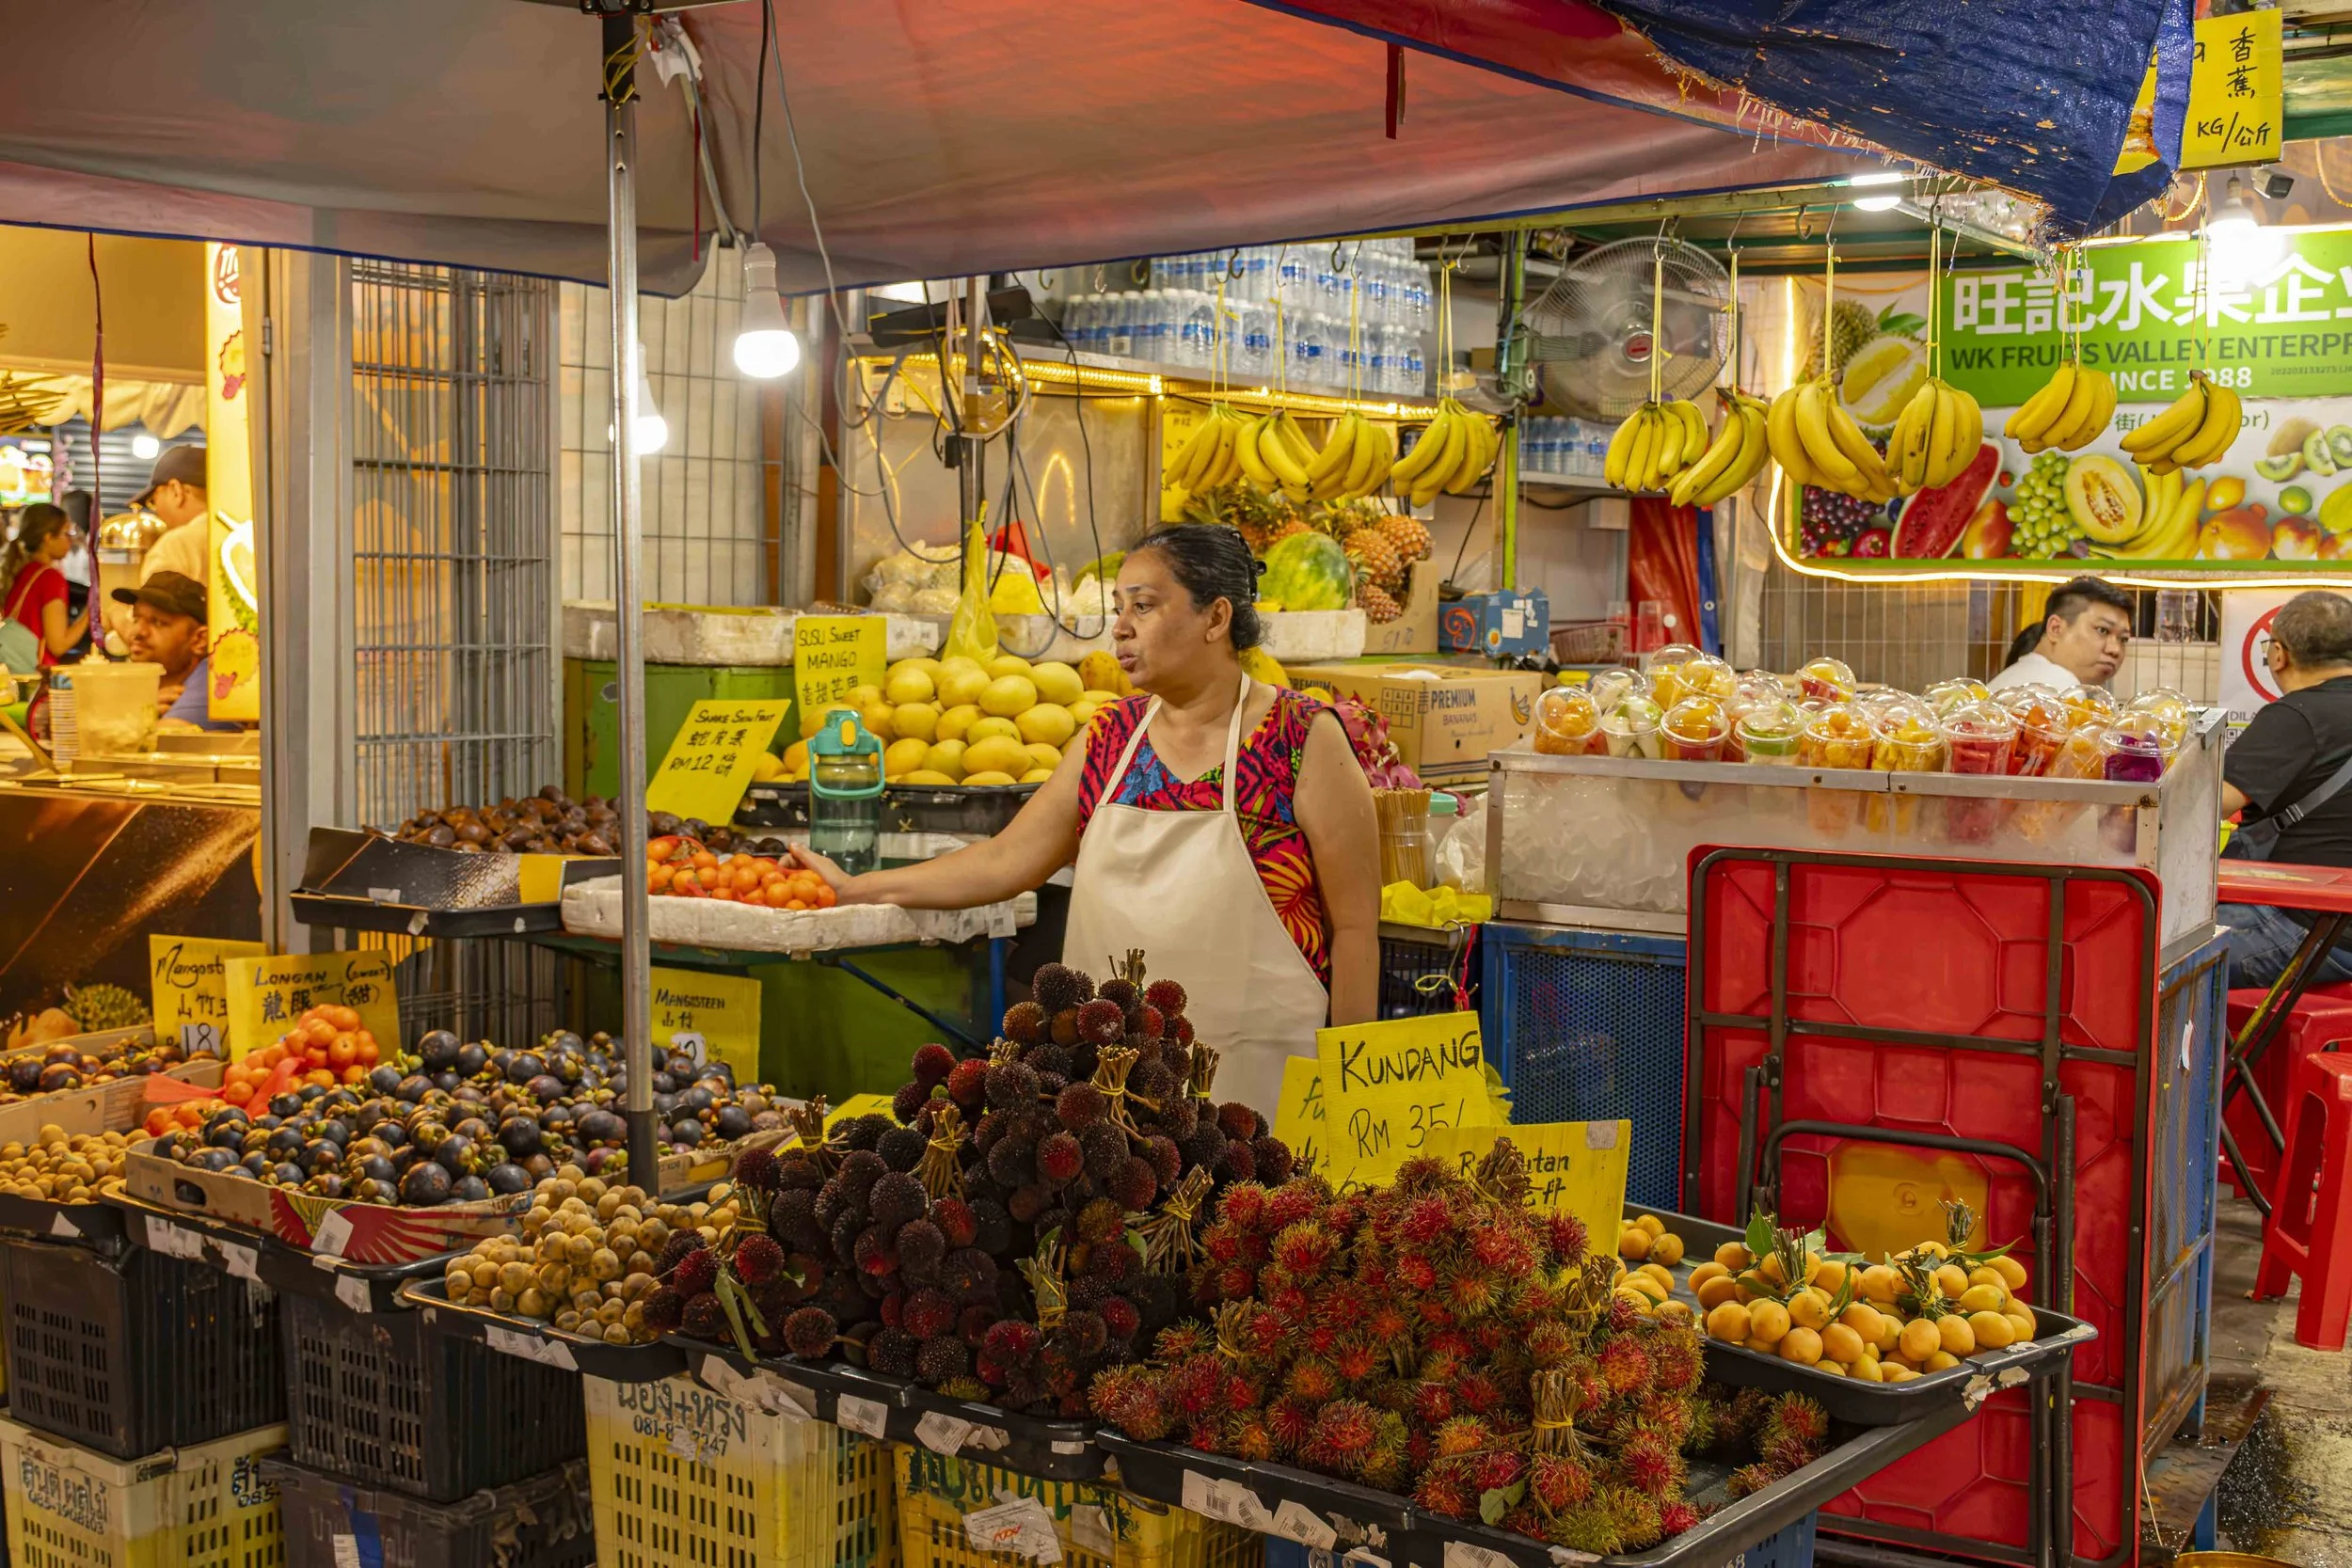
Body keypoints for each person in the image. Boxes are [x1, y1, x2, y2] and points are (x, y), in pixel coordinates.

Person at [790, 525, 1382, 1116]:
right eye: (1118, 608)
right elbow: (1005, 860)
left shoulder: (1301, 737)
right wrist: (855, 888)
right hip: (1113, 1087)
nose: (1120, 628)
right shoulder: (1109, 737)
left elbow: (1355, 929)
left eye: (1144, 607)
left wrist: (1351, 1094)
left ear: (1216, 616)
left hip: (1266, 1080)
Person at [2216, 590, 2352, 987]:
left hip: (2307, 925)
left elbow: (2212, 803)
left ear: (2278, 653)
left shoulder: (2295, 715)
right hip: (2336, 924)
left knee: (2154, 953)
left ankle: (2210, 1051)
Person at [112, 571, 237, 733]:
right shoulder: (145, 685)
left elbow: (162, 740)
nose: (137, 632)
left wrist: (136, 717)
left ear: (200, 640)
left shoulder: (213, 679)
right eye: (136, 619)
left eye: (157, 622)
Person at [1990, 575, 2132, 690]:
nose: (2115, 650)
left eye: (2123, 639)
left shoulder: (2013, 675)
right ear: (2055, 629)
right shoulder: (2059, 686)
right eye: (2102, 630)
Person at [2, 503, 89, 669]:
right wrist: (90, 610)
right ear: (48, 538)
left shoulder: (24, 571)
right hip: (39, 677)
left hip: (14, 672)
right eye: (66, 533)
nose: (70, 539)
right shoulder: (51, 578)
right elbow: (58, 645)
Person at [134, 445, 210, 588]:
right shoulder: (247, 536)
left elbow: (150, 610)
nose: (156, 512)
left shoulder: (175, 546)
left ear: (176, 491)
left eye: (153, 501)